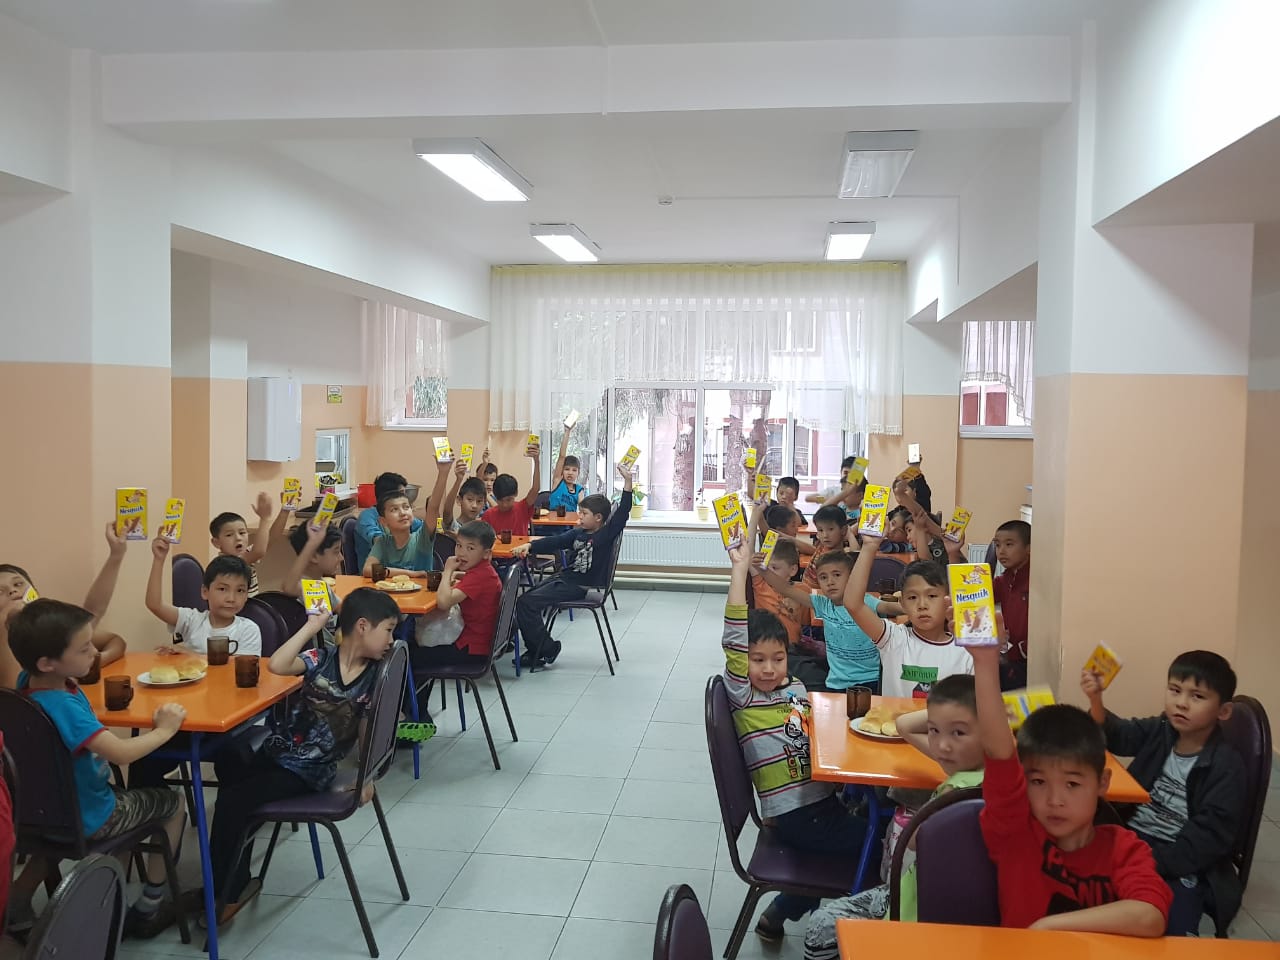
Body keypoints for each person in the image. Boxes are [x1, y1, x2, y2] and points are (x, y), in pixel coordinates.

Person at [203, 588, 400, 924]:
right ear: (363, 626)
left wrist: (366, 777)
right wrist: (312, 626)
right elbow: (278, 665)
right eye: (389, 630)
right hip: (279, 752)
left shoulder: (373, 677)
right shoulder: (320, 658)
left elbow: (369, 734)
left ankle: (224, 893)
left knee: (233, 801)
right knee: (229, 759)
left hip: (311, 770)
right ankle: (231, 876)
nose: (391, 640)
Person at [8, 599, 189, 939]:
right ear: (48, 663)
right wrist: (164, 731)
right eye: (84, 649)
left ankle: (17, 900)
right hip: (92, 816)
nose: (94, 652)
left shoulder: (26, 684)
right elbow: (121, 754)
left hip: (42, 814)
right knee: (173, 804)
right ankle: (149, 906)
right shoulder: (64, 707)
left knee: (60, 837)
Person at [720, 543, 867, 942]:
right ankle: (833, 930)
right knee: (883, 846)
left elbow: (810, 737)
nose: (769, 669)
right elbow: (734, 635)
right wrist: (739, 571)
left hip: (820, 802)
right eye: (757, 660)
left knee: (871, 820)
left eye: (777, 658)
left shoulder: (796, 687)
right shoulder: (746, 697)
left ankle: (778, 914)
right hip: (798, 816)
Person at [971, 642, 1171, 933]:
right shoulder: (1017, 833)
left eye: (1072, 784)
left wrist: (1049, 926)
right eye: (1038, 782)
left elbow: (1150, 915)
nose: (1055, 800)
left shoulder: (1123, 848)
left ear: (1102, 783)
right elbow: (998, 753)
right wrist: (985, 662)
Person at [804, 675, 986, 959]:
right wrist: (960, 712)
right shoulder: (979, 770)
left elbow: (914, 842)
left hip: (914, 908)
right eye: (934, 730)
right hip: (939, 904)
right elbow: (903, 726)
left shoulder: (956, 792)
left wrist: (944, 715)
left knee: (820, 928)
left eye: (958, 733)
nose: (942, 746)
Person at [1082, 650, 1246, 936]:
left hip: (1180, 858)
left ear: (1223, 711)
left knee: (1166, 926)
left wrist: (1148, 862)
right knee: (1086, 895)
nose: (1181, 703)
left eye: (1197, 696)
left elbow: (1206, 840)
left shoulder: (1226, 766)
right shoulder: (1163, 729)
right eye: (1175, 690)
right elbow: (1119, 734)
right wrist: (1096, 699)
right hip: (1133, 836)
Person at [511, 462, 631, 668]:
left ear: (598, 518)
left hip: (579, 585)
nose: (579, 516)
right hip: (565, 579)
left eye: (584, 513)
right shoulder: (578, 533)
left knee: (526, 603)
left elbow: (623, 512)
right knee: (524, 600)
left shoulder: (605, 535)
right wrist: (529, 546)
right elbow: (555, 541)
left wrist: (628, 481)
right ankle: (541, 648)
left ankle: (544, 650)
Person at [0, 523, 129, 690]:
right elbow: (12, 692)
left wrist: (86, 662)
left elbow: (100, 622)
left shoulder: (47, 629)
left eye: (18, 584)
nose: (12, 591)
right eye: (0, 591)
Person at [844, 534, 972, 699]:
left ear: (948, 600)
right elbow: (853, 604)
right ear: (902, 604)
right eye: (912, 597)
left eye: (932, 596)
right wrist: (869, 546)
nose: (922, 605)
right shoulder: (893, 639)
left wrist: (953, 555)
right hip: (894, 717)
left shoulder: (966, 650)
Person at [761, 549, 901, 693]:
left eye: (837, 575)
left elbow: (888, 607)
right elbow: (785, 588)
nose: (830, 582)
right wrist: (762, 568)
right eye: (823, 577)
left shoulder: (865, 602)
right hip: (837, 683)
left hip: (872, 680)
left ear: (852, 577)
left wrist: (910, 607)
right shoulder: (823, 604)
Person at [411, 520, 502, 671]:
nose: (461, 553)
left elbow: (443, 603)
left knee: (410, 656)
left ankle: (413, 686)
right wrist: (456, 575)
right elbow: (470, 579)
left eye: (470, 548)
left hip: (471, 648)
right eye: (459, 545)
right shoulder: (485, 571)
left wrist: (448, 570)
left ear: (486, 554)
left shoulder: (478, 576)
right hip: (482, 643)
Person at [145, 538, 261, 656]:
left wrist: (190, 655)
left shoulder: (249, 629)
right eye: (222, 589)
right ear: (205, 591)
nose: (231, 598)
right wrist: (159, 559)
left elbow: (237, 665)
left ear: (246, 595)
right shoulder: (192, 621)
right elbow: (155, 605)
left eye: (240, 590)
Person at [362, 457, 451, 577]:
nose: (402, 513)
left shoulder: (421, 539)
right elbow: (367, 570)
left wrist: (443, 473)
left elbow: (433, 508)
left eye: (406, 507)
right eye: (394, 509)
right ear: (383, 521)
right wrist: (411, 574)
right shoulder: (383, 543)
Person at [208, 493, 287, 597]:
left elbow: (271, 538)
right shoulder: (225, 563)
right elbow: (259, 551)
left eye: (242, 533)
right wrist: (264, 519)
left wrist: (285, 510)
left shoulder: (246, 554)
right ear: (216, 542)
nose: (238, 538)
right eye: (229, 535)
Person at [281, 521, 344, 646]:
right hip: (316, 654)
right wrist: (311, 545)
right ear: (314, 556)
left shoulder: (320, 583)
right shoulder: (303, 586)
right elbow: (288, 587)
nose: (341, 558)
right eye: (336, 551)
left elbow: (343, 608)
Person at [354, 472, 423, 572]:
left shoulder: (403, 516)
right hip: (375, 575)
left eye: (406, 507)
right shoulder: (367, 517)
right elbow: (378, 540)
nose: (404, 497)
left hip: (402, 573)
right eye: (401, 493)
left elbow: (423, 528)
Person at [991, 520, 1031, 690]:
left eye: (1009, 544)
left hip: (1029, 660)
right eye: (997, 545)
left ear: (1029, 548)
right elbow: (972, 597)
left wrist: (1016, 651)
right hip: (1009, 656)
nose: (1001, 551)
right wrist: (953, 552)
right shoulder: (1004, 580)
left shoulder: (1035, 580)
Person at [481, 441, 541, 537]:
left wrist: (536, 461)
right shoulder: (488, 515)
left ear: (516, 493)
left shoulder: (522, 508)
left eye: (509, 500)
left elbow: (535, 489)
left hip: (521, 547)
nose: (505, 504)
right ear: (495, 496)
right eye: (500, 500)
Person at [803, 505, 851, 589]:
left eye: (831, 529)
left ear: (843, 530)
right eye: (820, 530)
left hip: (818, 594)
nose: (825, 535)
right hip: (807, 591)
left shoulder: (839, 560)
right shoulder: (822, 546)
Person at [548, 423, 587, 512]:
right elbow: (562, 457)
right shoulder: (558, 481)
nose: (570, 473)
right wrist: (567, 432)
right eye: (567, 469)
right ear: (562, 471)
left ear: (578, 473)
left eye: (574, 470)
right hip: (552, 520)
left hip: (570, 521)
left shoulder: (579, 490)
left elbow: (583, 509)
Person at [441, 462, 488, 532]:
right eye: (470, 499)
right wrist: (458, 480)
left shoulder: (483, 529)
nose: (474, 505)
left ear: (484, 503)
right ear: (459, 500)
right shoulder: (454, 526)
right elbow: (447, 512)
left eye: (479, 501)